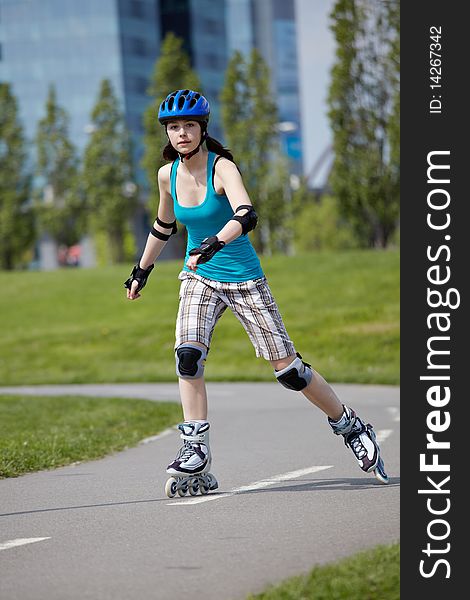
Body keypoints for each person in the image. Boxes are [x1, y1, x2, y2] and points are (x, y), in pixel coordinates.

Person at [124, 89, 388, 497]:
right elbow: (164, 226)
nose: (181, 134)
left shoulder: (222, 167)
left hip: (244, 277)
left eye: (189, 126)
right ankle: (195, 449)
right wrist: (141, 270)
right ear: (168, 133)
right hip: (200, 277)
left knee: (290, 373)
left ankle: (350, 425)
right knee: (187, 355)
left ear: (202, 129)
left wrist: (215, 241)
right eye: (174, 127)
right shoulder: (167, 175)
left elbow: (246, 214)